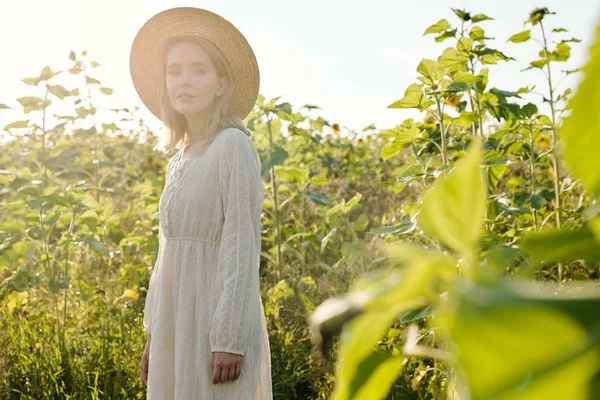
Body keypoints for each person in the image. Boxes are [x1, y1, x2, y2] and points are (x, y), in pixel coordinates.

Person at [129, 7, 272, 399]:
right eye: (174, 71)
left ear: (221, 83)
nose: (184, 81)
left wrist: (228, 336)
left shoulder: (234, 147)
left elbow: (242, 245)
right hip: (175, 321)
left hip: (214, 319)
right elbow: (166, 257)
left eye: (198, 70)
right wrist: (154, 335)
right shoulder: (179, 159)